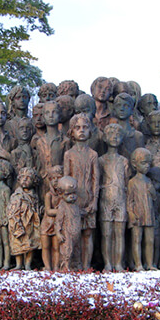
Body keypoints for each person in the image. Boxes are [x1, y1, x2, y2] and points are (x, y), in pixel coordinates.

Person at [64, 113, 100, 271]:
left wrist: (94, 201)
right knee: (74, 234)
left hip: (88, 198)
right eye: (77, 128)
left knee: (88, 234)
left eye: (85, 127)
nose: (81, 131)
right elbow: (66, 180)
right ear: (72, 131)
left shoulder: (93, 155)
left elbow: (95, 179)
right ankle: (75, 264)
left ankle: (86, 265)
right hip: (74, 200)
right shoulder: (69, 154)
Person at [98, 124, 130, 272]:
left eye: (118, 134)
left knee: (119, 233)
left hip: (121, 198)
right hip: (106, 199)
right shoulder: (101, 160)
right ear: (105, 138)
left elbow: (127, 181)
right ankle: (108, 263)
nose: (114, 137)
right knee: (106, 234)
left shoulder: (124, 161)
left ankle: (118, 263)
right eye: (111, 134)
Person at [127, 148, 158, 271]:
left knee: (150, 239)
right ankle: (138, 264)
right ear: (135, 164)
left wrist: (152, 191)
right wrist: (131, 213)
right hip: (137, 213)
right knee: (137, 240)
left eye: (148, 164)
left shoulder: (149, 181)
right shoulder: (132, 182)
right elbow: (129, 200)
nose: (146, 166)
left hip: (148, 213)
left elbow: (154, 198)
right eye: (143, 163)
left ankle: (149, 264)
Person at [8, 167, 41, 270]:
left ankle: (27, 264)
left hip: (30, 223)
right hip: (18, 222)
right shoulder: (16, 195)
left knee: (30, 242)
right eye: (22, 177)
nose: (25, 180)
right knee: (18, 242)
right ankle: (18, 264)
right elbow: (12, 210)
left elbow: (36, 207)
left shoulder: (34, 196)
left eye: (28, 178)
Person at [55, 176, 82, 271]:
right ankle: (65, 267)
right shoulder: (62, 206)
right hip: (67, 233)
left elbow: (78, 214)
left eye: (74, 193)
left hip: (77, 232)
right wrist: (58, 233)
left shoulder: (76, 205)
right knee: (67, 251)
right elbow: (58, 221)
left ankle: (76, 266)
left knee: (77, 251)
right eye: (68, 194)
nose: (72, 196)